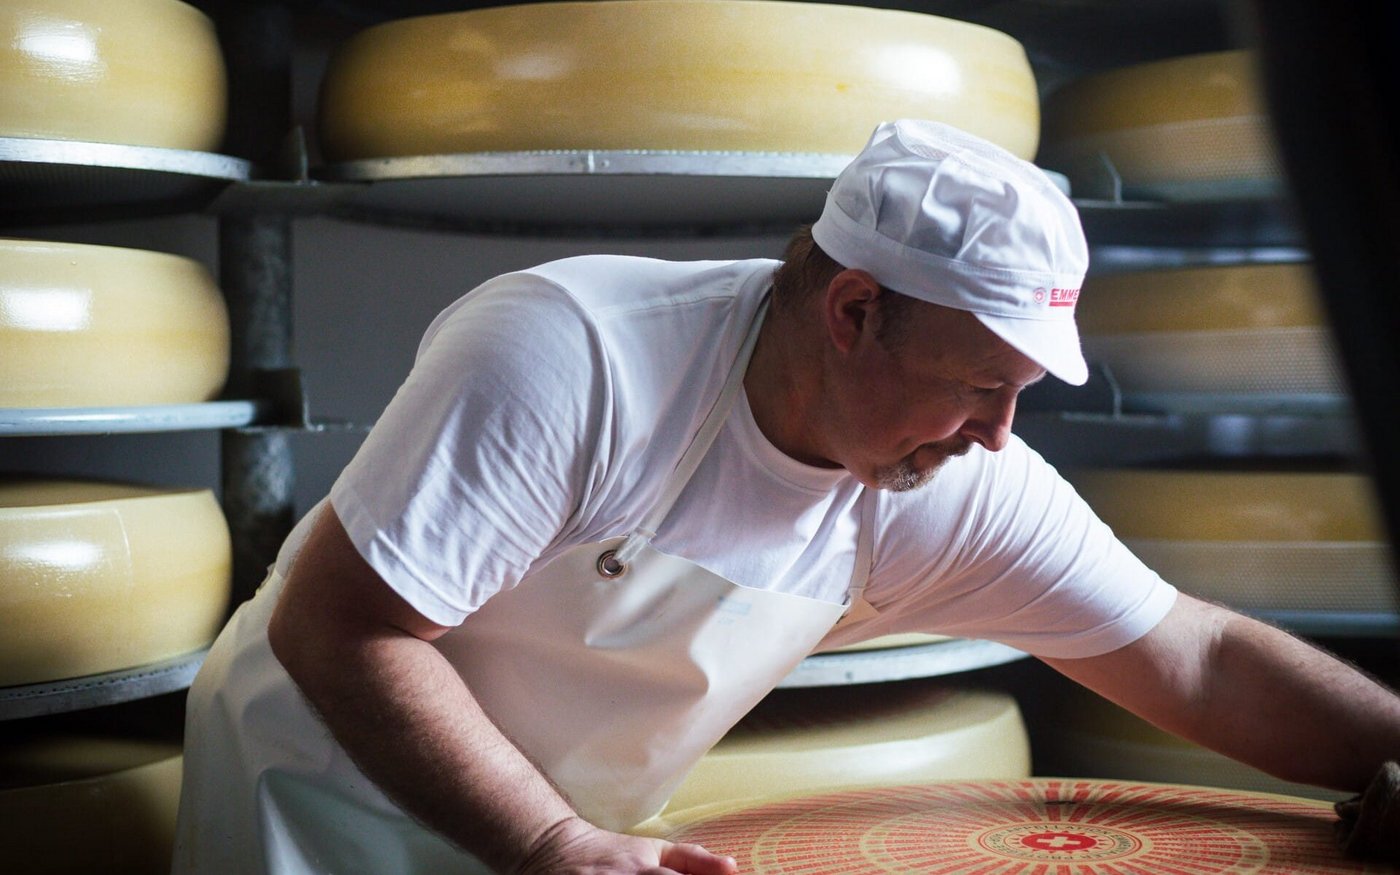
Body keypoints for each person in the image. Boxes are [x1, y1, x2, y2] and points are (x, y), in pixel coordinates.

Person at [174, 120, 1400, 874]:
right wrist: (543, 840)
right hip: (324, 800)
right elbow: (341, 624)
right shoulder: (569, 354)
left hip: (568, 835)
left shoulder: (942, 474)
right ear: (854, 309)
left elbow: (1192, 654)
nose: (997, 432)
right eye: (980, 383)